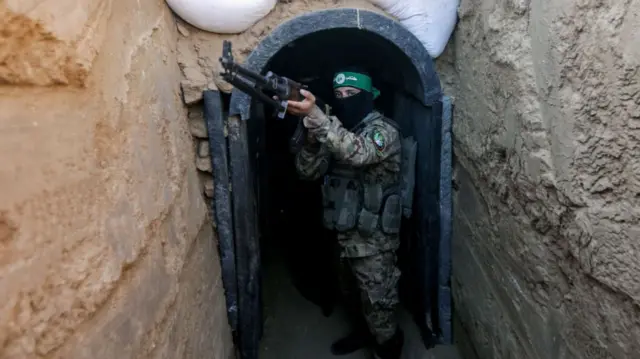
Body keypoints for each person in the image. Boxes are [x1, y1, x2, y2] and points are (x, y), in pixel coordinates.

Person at [286, 68, 405, 359]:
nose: (345, 100)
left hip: (374, 238)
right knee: (350, 294)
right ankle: (363, 334)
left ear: (368, 96)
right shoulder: (337, 132)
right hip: (342, 232)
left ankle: (388, 348)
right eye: (339, 95)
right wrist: (313, 140)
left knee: (379, 303)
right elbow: (306, 172)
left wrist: (317, 117)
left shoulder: (383, 131)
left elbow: (358, 153)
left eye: (352, 94)